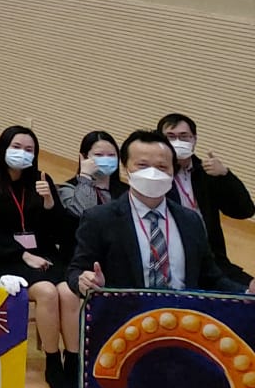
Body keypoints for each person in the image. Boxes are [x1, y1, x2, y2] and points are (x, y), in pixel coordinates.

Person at [71, 130, 255, 302]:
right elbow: (76, 270)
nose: (153, 173)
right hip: (126, 317)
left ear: (173, 170)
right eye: (142, 165)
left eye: (162, 166)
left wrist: (246, 293)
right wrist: (84, 281)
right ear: (126, 167)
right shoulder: (100, 219)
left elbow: (210, 277)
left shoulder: (190, 220)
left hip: (183, 317)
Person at [0, 125, 81, 388]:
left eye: (29, 149)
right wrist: (23, 255)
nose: (23, 153)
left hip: (44, 255)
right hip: (6, 258)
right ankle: (52, 361)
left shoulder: (42, 181)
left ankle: (74, 361)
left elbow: (60, 231)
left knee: (68, 292)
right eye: (17, 147)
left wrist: (50, 203)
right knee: (47, 292)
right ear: (4, 149)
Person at [156, 114, 254, 281]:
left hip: (212, 259)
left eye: (184, 136)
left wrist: (225, 175)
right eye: (170, 137)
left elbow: (244, 211)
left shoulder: (207, 173)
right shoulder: (155, 177)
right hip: (172, 262)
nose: (178, 142)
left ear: (194, 139)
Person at [60, 130, 126, 218]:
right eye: (99, 155)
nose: (106, 159)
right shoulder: (68, 189)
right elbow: (84, 214)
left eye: (111, 155)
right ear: (84, 157)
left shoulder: (126, 191)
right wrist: (85, 176)